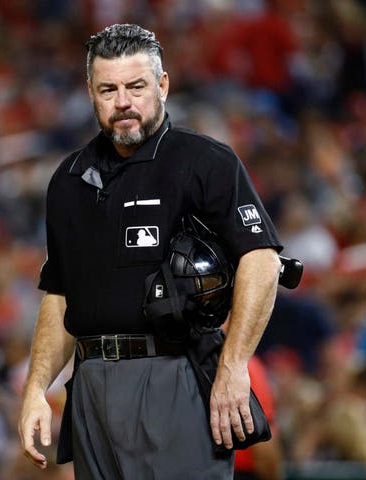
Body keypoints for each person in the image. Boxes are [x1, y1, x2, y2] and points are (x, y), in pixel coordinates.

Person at [18, 23, 283, 479]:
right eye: (108, 89)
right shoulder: (68, 179)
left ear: (162, 85)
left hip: (173, 374)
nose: (123, 101)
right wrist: (36, 388)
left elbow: (261, 259)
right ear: (90, 93)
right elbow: (59, 294)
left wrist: (235, 365)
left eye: (136, 86)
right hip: (92, 385)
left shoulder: (205, 162)